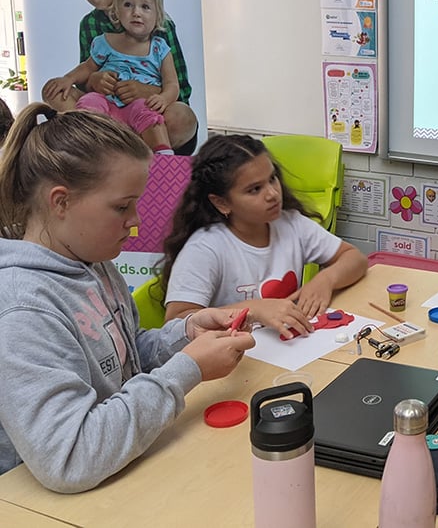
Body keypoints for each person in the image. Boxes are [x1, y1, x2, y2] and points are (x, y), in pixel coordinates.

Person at [0, 104, 254, 492]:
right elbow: (69, 458)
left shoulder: (91, 262)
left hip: (124, 471)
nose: (135, 221)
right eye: (121, 206)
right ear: (60, 202)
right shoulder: (23, 310)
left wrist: (184, 336)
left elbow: (122, 360)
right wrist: (188, 369)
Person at [159, 134, 368, 337]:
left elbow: (354, 258)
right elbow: (176, 324)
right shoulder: (205, 249)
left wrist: (326, 279)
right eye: (255, 189)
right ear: (221, 202)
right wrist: (253, 310)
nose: (273, 194)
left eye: (272, 179)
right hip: (232, 363)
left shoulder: (291, 224)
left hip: (283, 349)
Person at [40, 0, 198, 154]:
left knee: (183, 117)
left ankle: (126, 152)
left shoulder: (159, 25)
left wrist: (144, 91)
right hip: (107, 111)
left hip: (147, 113)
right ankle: (112, 147)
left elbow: (181, 89)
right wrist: (93, 81)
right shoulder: (90, 24)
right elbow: (86, 75)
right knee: (55, 93)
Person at [46, 0, 176, 155]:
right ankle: (89, 151)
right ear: (117, 12)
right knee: (89, 102)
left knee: (148, 114)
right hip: (105, 102)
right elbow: (88, 67)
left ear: (158, 16)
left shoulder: (159, 49)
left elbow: (172, 84)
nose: (136, 12)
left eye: (145, 7)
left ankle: (163, 156)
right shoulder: (105, 41)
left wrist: (163, 98)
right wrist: (68, 79)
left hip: (137, 105)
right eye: (128, 5)